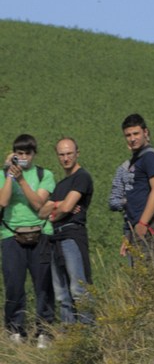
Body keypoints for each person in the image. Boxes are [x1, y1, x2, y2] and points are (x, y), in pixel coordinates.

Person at [1, 135, 55, 346]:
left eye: (27, 153)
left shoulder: (44, 174)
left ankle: (44, 330)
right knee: (14, 283)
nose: (24, 157)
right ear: (14, 153)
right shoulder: (4, 174)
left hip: (40, 232)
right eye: (19, 153)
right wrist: (9, 175)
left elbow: (38, 202)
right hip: (10, 234)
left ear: (34, 154)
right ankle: (15, 329)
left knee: (43, 283)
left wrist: (21, 179)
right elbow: (3, 200)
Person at [38, 137, 93, 325]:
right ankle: (68, 337)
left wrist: (56, 209)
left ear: (77, 153)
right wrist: (58, 205)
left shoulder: (82, 177)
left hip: (72, 236)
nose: (66, 158)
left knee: (79, 289)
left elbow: (67, 208)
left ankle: (88, 334)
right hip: (55, 239)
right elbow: (42, 212)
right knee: (62, 293)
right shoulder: (61, 184)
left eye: (69, 153)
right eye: (62, 154)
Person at [112, 114, 154, 271]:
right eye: (128, 135)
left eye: (136, 134)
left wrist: (143, 223)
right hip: (138, 226)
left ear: (145, 132)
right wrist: (129, 234)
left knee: (152, 277)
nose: (132, 138)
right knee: (141, 279)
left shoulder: (150, 157)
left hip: (151, 224)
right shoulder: (136, 161)